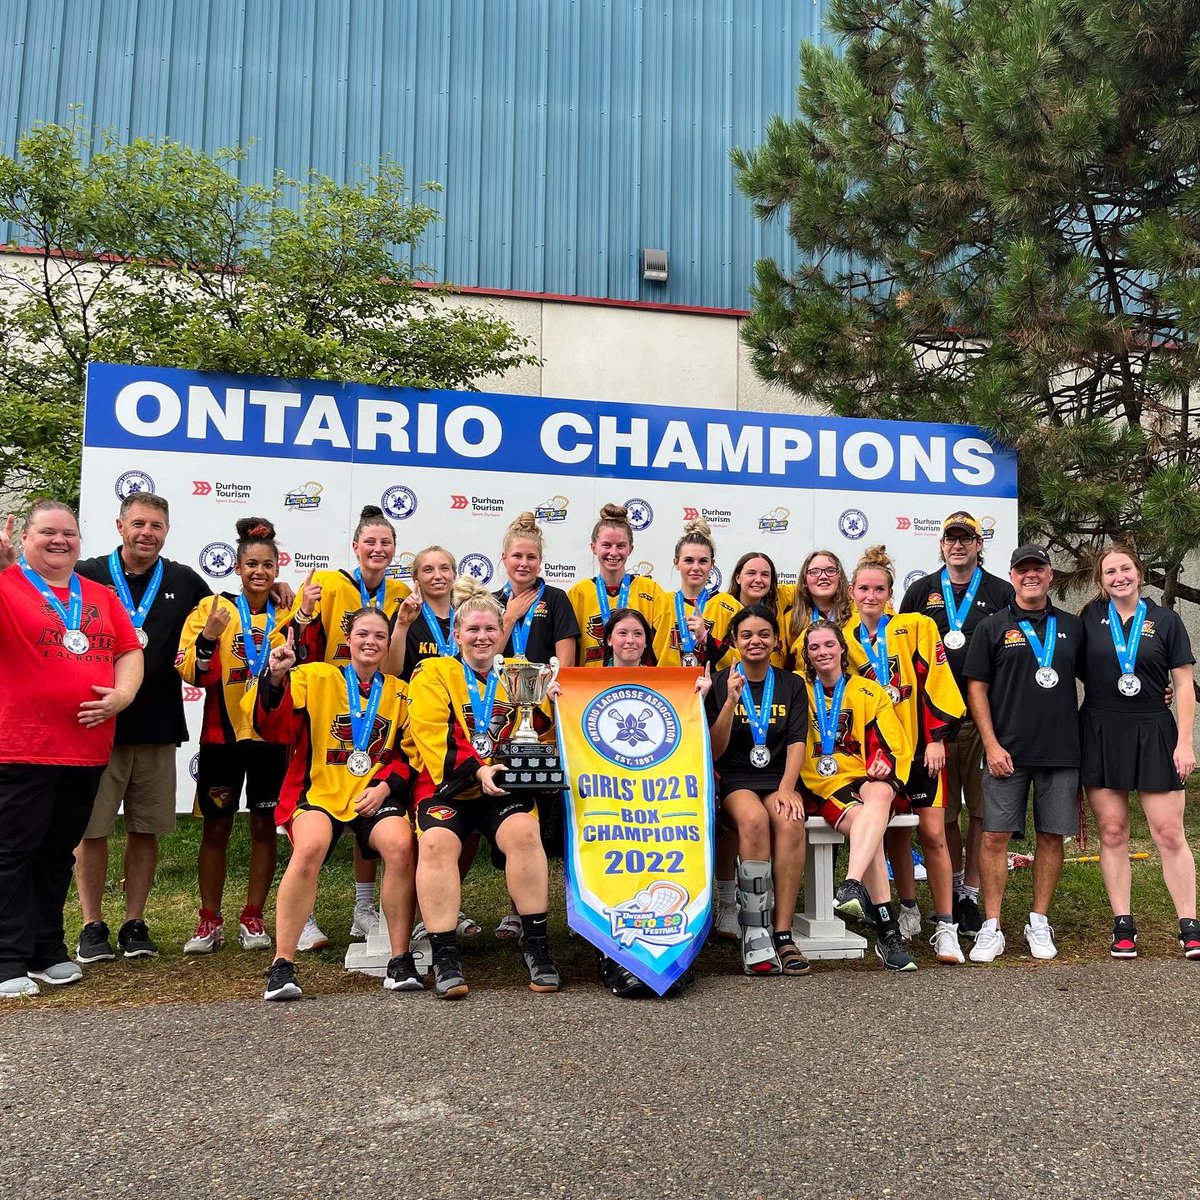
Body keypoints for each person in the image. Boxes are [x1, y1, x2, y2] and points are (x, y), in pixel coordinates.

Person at [0, 503, 142, 996]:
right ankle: (6, 957)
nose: (59, 541)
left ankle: (46, 949)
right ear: (24, 538)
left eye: (69, 534)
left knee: (57, 852)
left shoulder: (99, 594)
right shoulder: (6, 584)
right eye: (47, 532)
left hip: (84, 749)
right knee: (12, 853)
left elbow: (128, 650)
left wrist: (122, 696)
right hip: (21, 746)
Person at [72, 492, 211, 963]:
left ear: (166, 531)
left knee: (144, 828)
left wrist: (277, 592)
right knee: (90, 831)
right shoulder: (87, 575)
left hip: (156, 725)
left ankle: (134, 922)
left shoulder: (184, 580)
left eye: (155, 525)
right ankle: (92, 926)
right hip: (95, 724)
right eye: (138, 524)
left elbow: (223, 617)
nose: (146, 533)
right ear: (119, 526)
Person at [253, 611, 420, 1001]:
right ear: (349, 638)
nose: (371, 641)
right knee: (309, 846)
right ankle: (282, 964)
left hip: (371, 794)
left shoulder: (400, 691)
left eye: (380, 635)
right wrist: (275, 677)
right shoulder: (317, 676)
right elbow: (272, 725)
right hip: (318, 793)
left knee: (399, 846)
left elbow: (410, 754)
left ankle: (399, 959)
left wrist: (385, 786)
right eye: (363, 633)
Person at [406, 579, 561, 998]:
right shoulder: (434, 672)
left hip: (503, 788)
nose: (482, 637)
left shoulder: (518, 673)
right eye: (472, 630)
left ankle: (537, 947)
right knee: (437, 843)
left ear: (501, 632)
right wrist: (478, 771)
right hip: (447, 788)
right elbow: (431, 735)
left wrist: (553, 703)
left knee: (525, 835)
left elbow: (537, 735)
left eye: (490, 629)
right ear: (457, 635)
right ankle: (445, 955)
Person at [288, 504, 412, 949]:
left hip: (372, 705)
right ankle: (304, 918)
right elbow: (300, 644)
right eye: (371, 542)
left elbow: (395, 663)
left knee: (370, 808)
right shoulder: (326, 582)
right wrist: (302, 614)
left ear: (394, 549)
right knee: (313, 824)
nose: (378, 549)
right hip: (327, 706)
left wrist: (399, 628)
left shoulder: (401, 594)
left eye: (386, 542)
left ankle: (364, 908)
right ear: (355, 546)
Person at [176, 518, 293, 955]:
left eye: (266, 565)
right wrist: (208, 639)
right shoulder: (212, 608)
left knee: (265, 825)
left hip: (270, 739)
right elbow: (190, 669)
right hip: (220, 737)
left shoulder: (288, 613)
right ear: (238, 568)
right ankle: (209, 919)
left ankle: (253, 915)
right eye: (250, 564)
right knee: (217, 827)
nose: (259, 572)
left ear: (277, 568)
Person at [964, 544, 1085, 963]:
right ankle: (992, 925)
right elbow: (976, 688)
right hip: (1006, 753)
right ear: (1012, 576)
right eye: (1022, 570)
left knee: (1052, 835)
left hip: (1061, 750)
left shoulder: (1072, 626)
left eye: (1038, 569)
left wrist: (1153, 688)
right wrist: (991, 744)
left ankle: (1038, 920)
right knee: (995, 835)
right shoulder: (992, 627)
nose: (1030, 576)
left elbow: (1105, 672)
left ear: (1050, 575)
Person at [846, 545, 967, 964]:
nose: (871, 596)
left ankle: (946, 925)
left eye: (879, 589)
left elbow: (938, 679)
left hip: (919, 751)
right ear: (851, 591)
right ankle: (908, 909)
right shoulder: (844, 638)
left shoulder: (915, 626)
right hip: (878, 757)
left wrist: (937, 738)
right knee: (892, 832)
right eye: (863, 588)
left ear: (890, 593)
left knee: (933, 834)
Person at [581, 606, 709, 997]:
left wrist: (701, 697)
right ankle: (611, 950)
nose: (630, 641)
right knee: (609, 857)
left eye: (638, 634)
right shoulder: (585, 683)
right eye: (622, 634)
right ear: (609, 640)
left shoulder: (668, 683)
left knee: (671, 852)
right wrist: (557, 697)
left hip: (657, 798)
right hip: (607, 796)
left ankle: (673, 951)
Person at [1078, 545, 1199, 959]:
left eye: (1125, 568)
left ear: (1139, 572)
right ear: (1100, 579)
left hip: (1154, 729)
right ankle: (1123, 925)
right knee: (1112, 832)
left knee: (1169, 833)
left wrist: (1185, 742)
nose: (1118, 577)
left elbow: (1182, 684)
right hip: (1100, 728)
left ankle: (1189, 925)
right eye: (1109, 571)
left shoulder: (1166, 620)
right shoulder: (1089, 620)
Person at [899, 512, 1014, 937]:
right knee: (943, 812)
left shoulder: (1003, 592)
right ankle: (949, 891)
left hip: (987, 721)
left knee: (983, 811)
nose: (958, 545)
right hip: (936, 726)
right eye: (951, 538)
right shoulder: (921, 591)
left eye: (967, 538)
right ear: (942, 545)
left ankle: (970, 892)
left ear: (980, 544)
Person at [796, 619, 916, 971]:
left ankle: (851, 883)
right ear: (806, 654)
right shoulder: (798, 689)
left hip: (865, 778)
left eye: (829, 645)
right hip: (823, 784)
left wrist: (882, 763)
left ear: (842, 649)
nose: (823, 652)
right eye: (814, 647)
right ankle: (887, 929)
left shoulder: (868, 691)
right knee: (872, 829)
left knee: (879, 793)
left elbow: (892, 741)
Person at [706, 605, 809, 976]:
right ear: (734, 642)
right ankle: (755, 930)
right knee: (752, 820)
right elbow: (715, 750)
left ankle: (782, 932)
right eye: (746, 635)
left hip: (777, 778)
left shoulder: (792, 683)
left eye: (764, 634)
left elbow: (798, 740)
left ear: (776, 640)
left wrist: (787, 787)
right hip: (735, 778)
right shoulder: (720, 682)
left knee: (790, 820)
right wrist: (731, 701)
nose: (756, 641)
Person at [567, 503, 663, 667]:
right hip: (591, 687)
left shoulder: (651, 591)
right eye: (606, 545)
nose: (613, 552)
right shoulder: (577, 593)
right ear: (594, 547)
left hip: (639, 686)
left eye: (620, 546)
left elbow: (661, 649)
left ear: (630, 549)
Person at [649, 518, 739, 668]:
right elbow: (647, 657)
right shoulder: (661, 603)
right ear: (676, 563)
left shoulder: (729, 606)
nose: (696, 567)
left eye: (703, 561)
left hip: (715, 688)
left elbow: (742, 660)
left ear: (712, 564)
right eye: (689, 560)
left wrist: (707, 639)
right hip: (668, 689)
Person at [784, 550, 854, 671]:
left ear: (840, 577)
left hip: (854, 687)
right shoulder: (791, 619)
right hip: (808, 688)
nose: (823, 576)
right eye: (814, 572)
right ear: (805, 580)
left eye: (830, 570)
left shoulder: (858, 612)